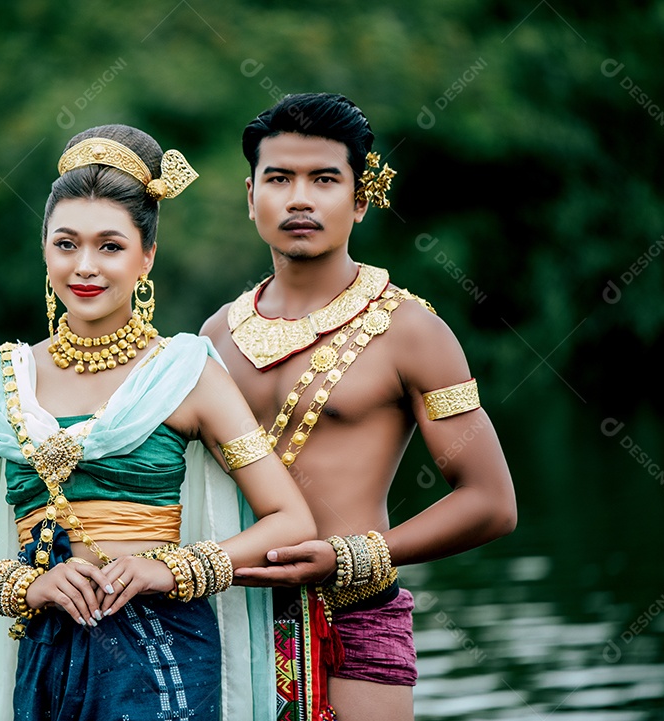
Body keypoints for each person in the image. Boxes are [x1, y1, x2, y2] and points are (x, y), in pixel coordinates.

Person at [0, 124, 316, 721]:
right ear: (44, 249)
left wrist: (170, 569)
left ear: (146, 255)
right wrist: (26, 585)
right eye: (65, 244)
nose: (85, 267)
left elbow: (289, 520)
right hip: (47, 644)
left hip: (163, 648)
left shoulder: (185, 373)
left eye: (110, 246)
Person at [202, 93, 518, 721]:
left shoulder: (411, 331)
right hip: (225, 616)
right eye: (279, 179)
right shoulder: (212, 337)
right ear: (250, 197)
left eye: (324, 179)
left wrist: (356, 555)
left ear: (361, 198)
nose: (299, 198)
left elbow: (491, 502)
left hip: (353, 615)